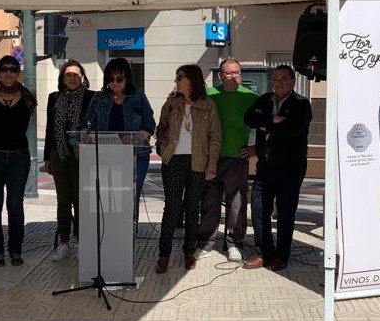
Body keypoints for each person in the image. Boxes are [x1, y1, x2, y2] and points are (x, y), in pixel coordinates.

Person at [243, 65, 312, 271]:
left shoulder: (301, 104)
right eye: (275, 78)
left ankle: (281, 256)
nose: (278, 82)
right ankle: (264, 252)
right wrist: (273, 120)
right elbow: (249, 119)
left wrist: (265, 124)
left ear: (292, 81)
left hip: (289, 169)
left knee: (285, 213)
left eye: (283, 78)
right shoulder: (264, 99)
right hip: (265, 167)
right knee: (258, 210)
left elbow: (293, 129)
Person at [154, 64, 221, 273]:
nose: (176, 80)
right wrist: (162, 147)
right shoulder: (172, 102)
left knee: (193, 209)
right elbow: (161, 128)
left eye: (179, 77)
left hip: (197, 162)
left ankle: (188, 252)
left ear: (191, 79)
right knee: (172, 208)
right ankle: (163, 254)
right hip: (173, 161)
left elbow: (215, 137)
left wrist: (211, 166)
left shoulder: (207, 105)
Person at [195, 58, 257, 263]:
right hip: (211, 158)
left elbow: (265, 126)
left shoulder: (251, 98)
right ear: (220, 76)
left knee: (237, 204)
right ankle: (205, 243)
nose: (233, 76)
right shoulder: (209, 95)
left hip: (237, 158)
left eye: (237, 72)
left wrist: (256, 148)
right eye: (228, 73)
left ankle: (234, 244)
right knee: (209, 202)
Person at [0, 55, 36, 267]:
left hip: (19, 156)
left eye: (13, 69)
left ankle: (15, 250)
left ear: (17, 73)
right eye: (4, 69)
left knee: (15, 205)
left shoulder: (28, 98)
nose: (9, 73)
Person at [81, 57, 155, 221]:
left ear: (127, 78)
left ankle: (128, 239)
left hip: (136, 156)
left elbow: (150, 124)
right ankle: (109, 236)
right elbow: (87, 121)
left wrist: (140, 135)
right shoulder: (99, 98)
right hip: (106, 155)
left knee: (130, 198)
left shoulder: (138, 97)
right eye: (111, 79)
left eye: (119, 79)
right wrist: (85, 130)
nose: (114, 83)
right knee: (108, 199)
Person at [44, 60, 95, 261]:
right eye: (68, 74)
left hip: (82, 154)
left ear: (83, 77)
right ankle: (64, 243)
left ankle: (82, 241)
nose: (72, 78)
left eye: (76, 74)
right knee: (63, 200)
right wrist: (48, 157)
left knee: (81, 200)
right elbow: (49, 129)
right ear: (62, 78)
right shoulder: (54, 98)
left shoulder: (92, 97)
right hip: (59, 154)